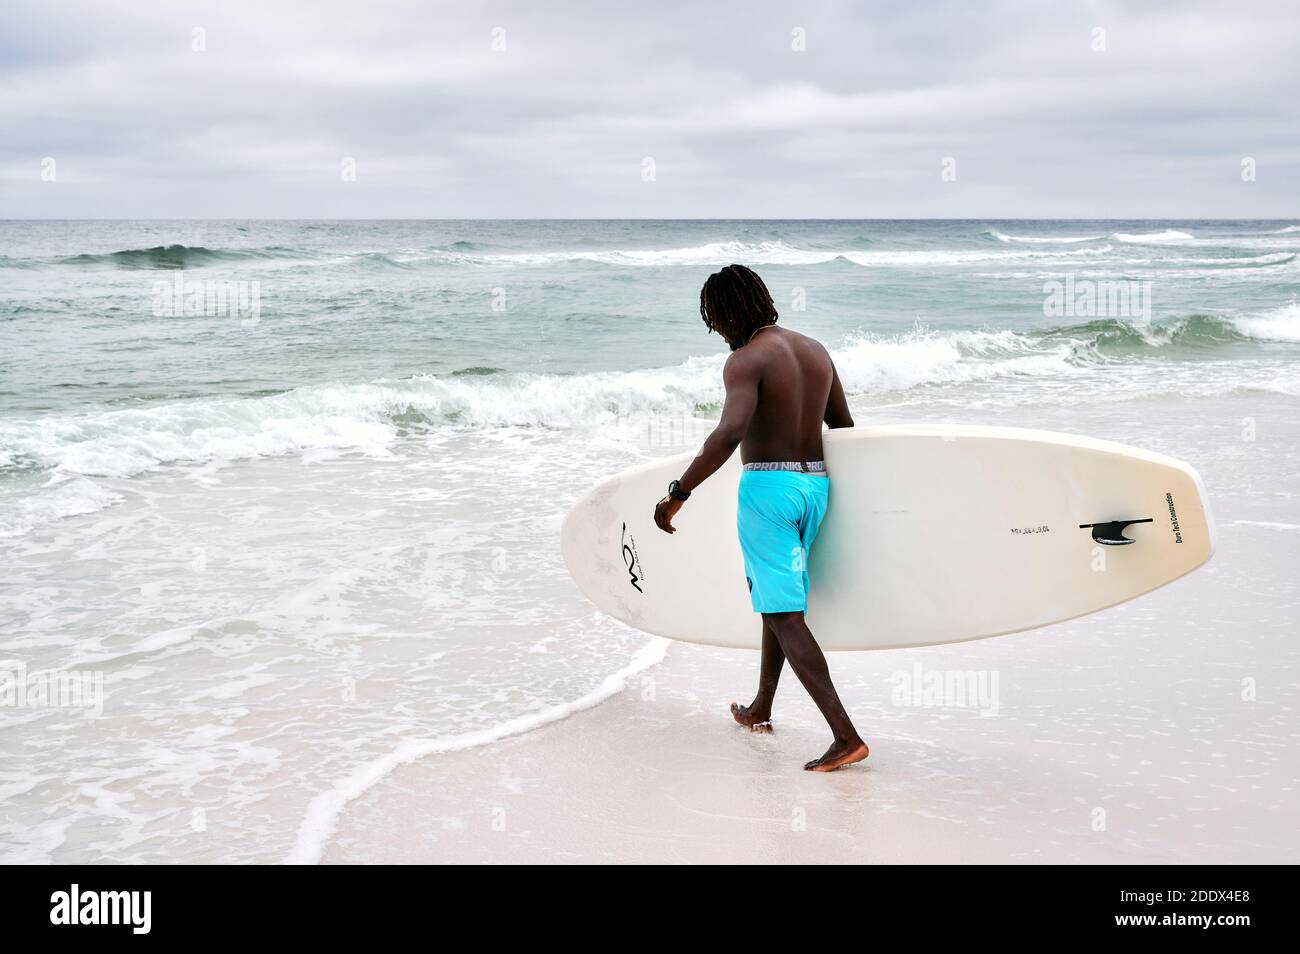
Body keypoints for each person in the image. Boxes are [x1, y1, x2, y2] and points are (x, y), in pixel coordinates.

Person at [653, 264, 868, 772]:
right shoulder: (815, 350)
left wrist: (679, 493)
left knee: (783, 612)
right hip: (815, 486)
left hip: (767, 490)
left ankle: (846, 737)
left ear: (727, 312)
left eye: (716, 320)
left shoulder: (746, 361)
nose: (718, 332)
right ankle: (761, 708)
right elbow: (844, 426)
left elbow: (728, 435)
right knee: (776, 599)